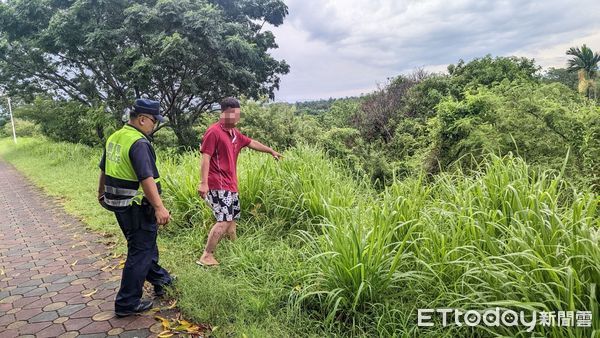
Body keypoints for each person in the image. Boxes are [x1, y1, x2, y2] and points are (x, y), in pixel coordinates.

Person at [97, 98, 173, 317]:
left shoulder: (116, 136)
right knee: (140, 252)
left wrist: (100, 192)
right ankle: (127, 303)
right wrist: (159, 207)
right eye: (153, 121)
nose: (154, 125)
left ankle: (161, 280)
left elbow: (104, 169)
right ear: (142, 119)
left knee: (144, 246)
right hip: (138, 205)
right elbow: (145, 178)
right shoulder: (139, 142)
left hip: (120, 206)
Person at [196, 97, 282, 266]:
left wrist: (271, 151)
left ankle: (235, 249)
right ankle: (207, 255)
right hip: (218, 184)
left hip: (230, 184)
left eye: (238, 114)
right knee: (225, 219)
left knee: (232, 217)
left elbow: (251, 143)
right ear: (224, 113)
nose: (236, 118)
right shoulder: (214, 132)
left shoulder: (234, 134)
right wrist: (203, 183)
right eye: (233, 115)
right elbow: (205, 158)